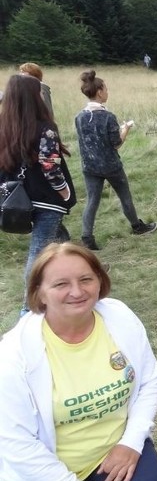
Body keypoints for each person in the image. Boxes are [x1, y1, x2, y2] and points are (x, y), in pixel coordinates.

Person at [0, 243, 157, 481]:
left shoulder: (119, 317)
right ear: (39, 293)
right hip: (46, 470)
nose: (77, 291)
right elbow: (14, 443)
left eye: (86, 279)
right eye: (61, 283)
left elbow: (149, 382)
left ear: (100, 281)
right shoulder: (13, 355)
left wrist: (131, 442)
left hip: (111, 450)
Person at [0, 74, 76, 311]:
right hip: (46, 201)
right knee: (38, 254)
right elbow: (50, 167)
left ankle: (79, 271)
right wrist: (64, 193)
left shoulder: (4, 127)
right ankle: (27, 310)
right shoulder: (45, 128)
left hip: (17, 200)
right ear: (33, 97)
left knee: (61, 240)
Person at [74, 70, 157, 250]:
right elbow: (117, 144)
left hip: (89, 167)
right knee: (124, 196)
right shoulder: (108, 117)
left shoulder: (79, 117)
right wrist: (126, 128)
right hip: (111, 166)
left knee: (92, 201)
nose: (107, 92)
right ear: (99, 92)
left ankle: (87, 237)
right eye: (106, 89)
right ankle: (137, 227)